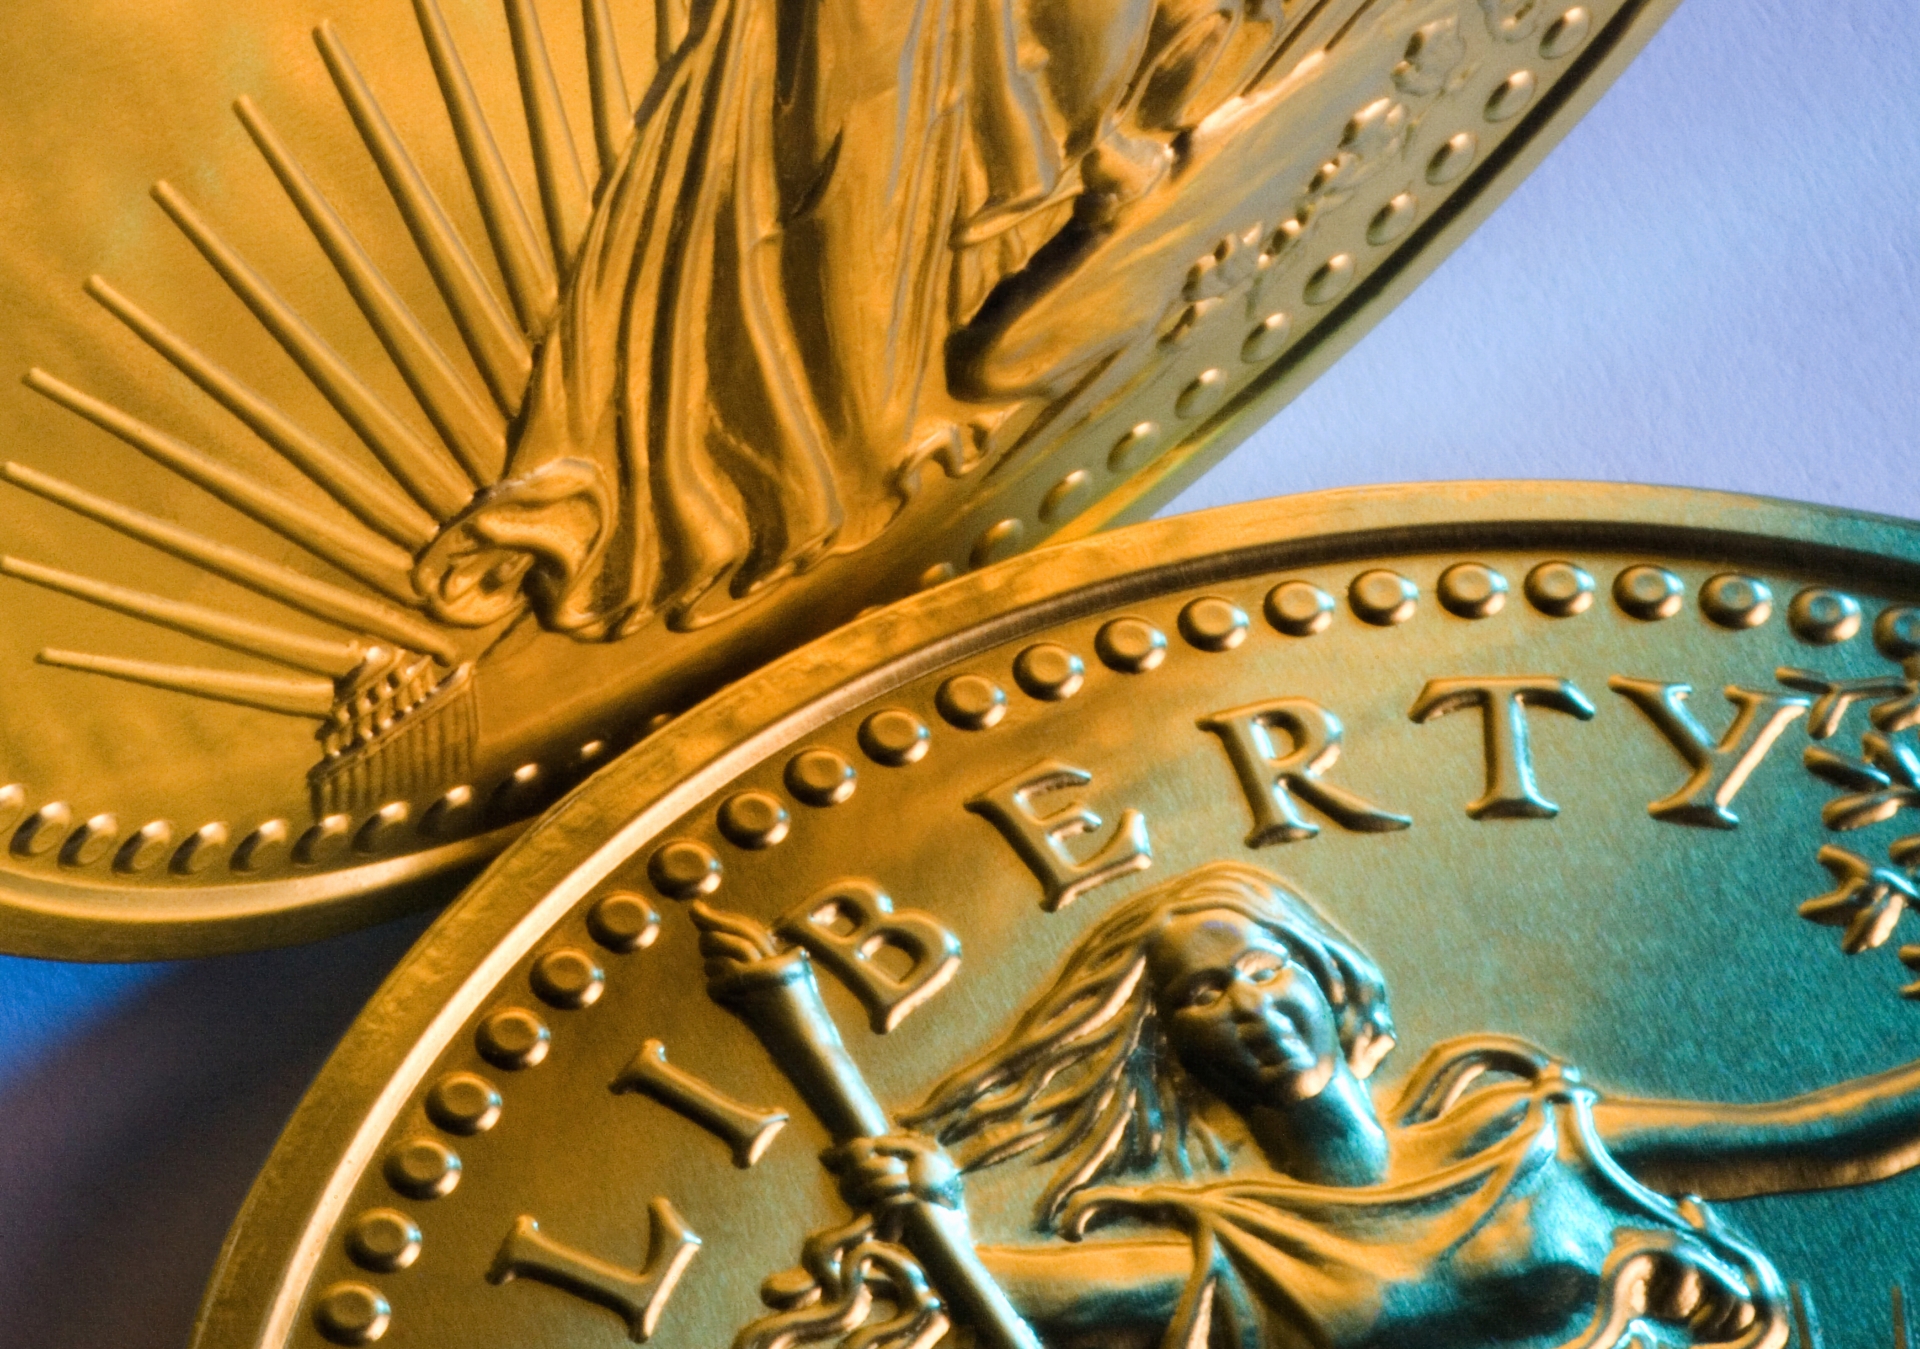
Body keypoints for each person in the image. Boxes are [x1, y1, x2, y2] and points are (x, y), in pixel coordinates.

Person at [814, 862, 1920, 1348]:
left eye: (1264, 969)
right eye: (1203, 995)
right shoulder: (1232, 1252)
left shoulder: (1537, 1141)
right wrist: (934, 1207)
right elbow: (988, 1284)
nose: (1249, 1006)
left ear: (1328, 976)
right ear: (1172, 1049)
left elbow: (1832, 1138)